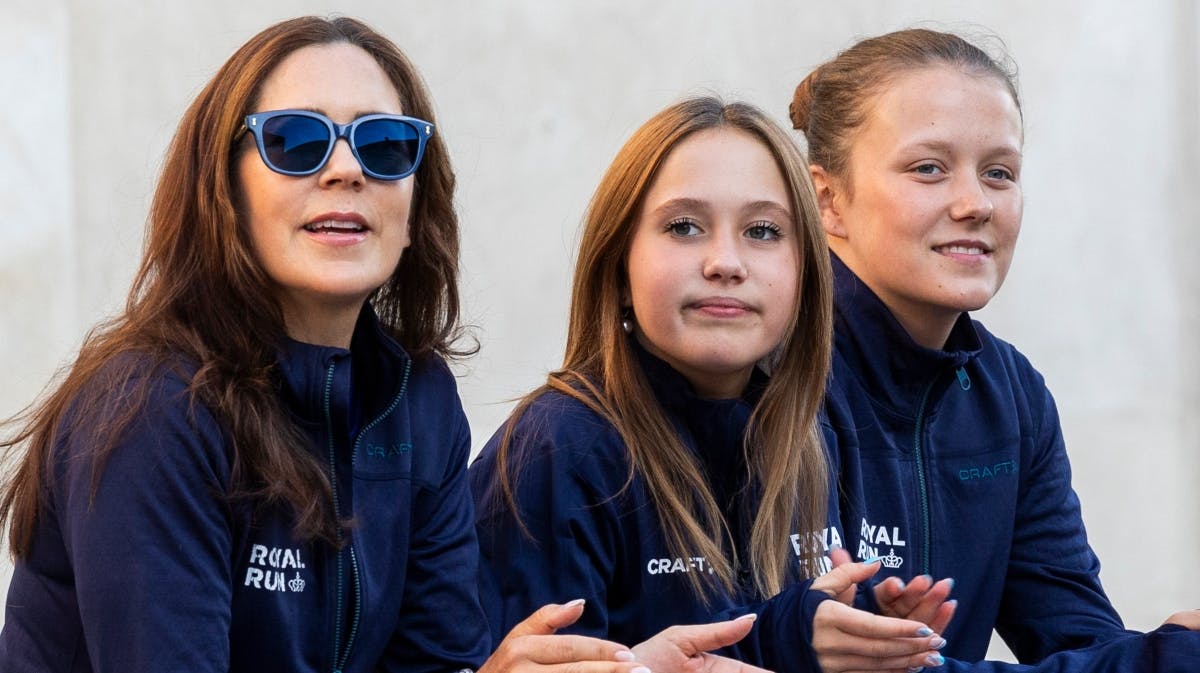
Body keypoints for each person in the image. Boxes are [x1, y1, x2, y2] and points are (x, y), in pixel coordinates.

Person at [0, 16, 766, 673]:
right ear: (222, 189)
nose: (344, 170)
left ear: (416, 197)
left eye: (385, 145)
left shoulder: (417, 400)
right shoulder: (151, 412)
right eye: (295, 142)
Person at [471, 95, 952, 673]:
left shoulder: (811, 437)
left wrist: (864, 642)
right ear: (619, 268)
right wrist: (788, 640)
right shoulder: (559, 447)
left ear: (806, 275)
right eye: (684, 226)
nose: (726, 261)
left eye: (764, 231)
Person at [788, 27, 1200, 669]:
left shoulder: (1010, 391)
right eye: (929, 168)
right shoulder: (766, 375)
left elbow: (1079, 641)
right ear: (827, 200)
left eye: (999, 173)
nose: (974, 204)